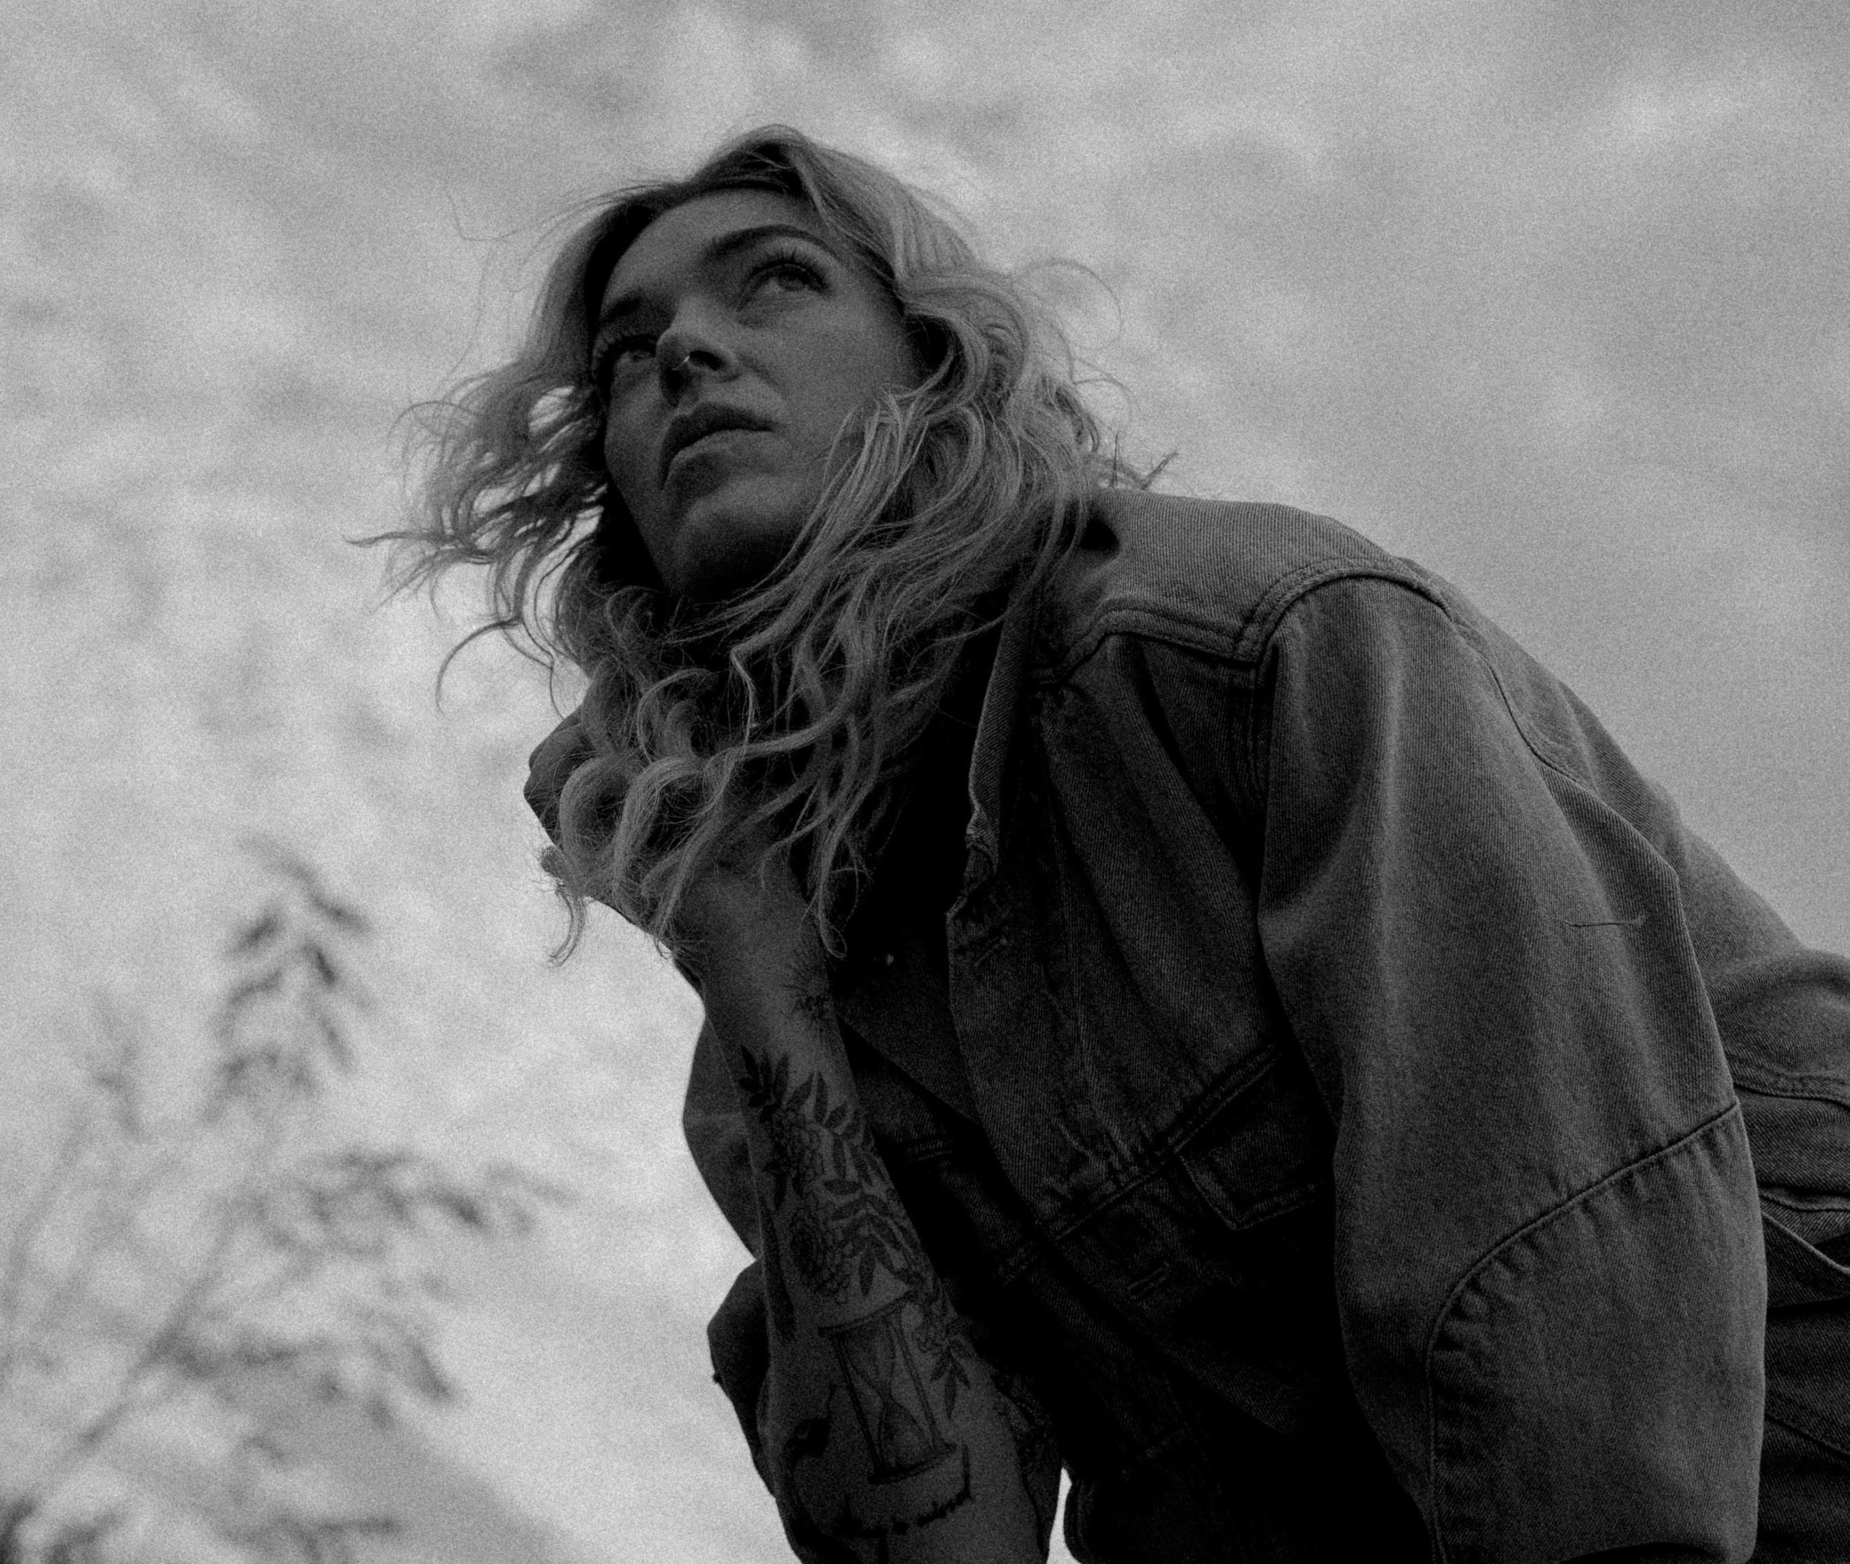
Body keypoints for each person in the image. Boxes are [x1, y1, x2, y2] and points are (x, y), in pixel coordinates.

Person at [392, 127, 1850, 1563]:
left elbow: (1563, 1279)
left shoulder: (1247, 645)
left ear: (934, 363)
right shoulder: (769, 1067)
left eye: (773, 280)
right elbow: (939, 1542)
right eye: (625, 355)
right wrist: (762, 996)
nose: (683, 353)